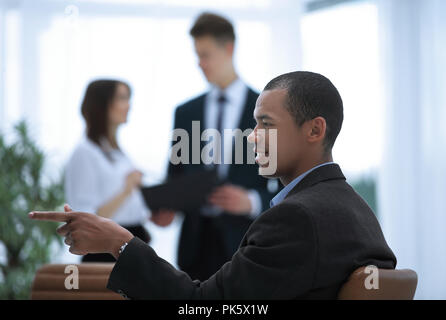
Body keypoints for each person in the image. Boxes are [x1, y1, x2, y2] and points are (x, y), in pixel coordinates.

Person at [30, 71, 397, 299]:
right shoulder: (355, 208)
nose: (251, 138)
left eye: (265, 124)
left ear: (315, 130)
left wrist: (120, 242)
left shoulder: (296, 217)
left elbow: (201, 304)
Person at [150, 12, 279, 280]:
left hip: (246, 244)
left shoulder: (266, 111)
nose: (200, 64)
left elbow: (286, 187)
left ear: (228, 49)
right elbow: (175, 174)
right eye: (197, 55)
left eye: (205, 55)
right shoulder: (185, 112)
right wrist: (167, 207)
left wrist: (251, 202)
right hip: (194, 247)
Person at [64, 79, 151, 262]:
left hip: (131, 243)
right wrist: (126, 190)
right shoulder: (85, 153)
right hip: (105, 252)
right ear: (102, 105)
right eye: (122, 98)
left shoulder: (118, 153)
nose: (129, 106)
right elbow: (85, 220)